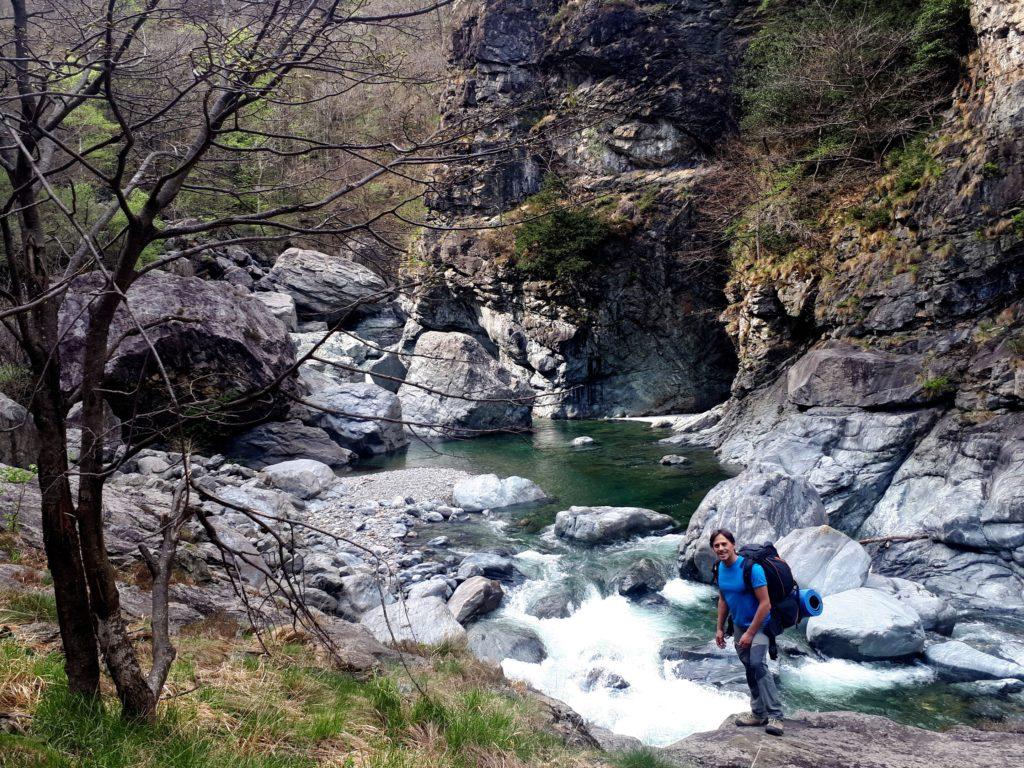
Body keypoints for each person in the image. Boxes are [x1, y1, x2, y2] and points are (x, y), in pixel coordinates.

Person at [711, 528, 784, 736]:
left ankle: (776, 715)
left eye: (724, 544)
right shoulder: (719, 569)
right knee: (748, 666)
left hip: (760, 625)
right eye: (716, 545)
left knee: (757, 663)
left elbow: (765, 604)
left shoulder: (752, 569)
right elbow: (723, 600)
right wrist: (719, 628)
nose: (721, 548)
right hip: (739, 626)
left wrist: (751, 633)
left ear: (733, 544)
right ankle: (758, 713)